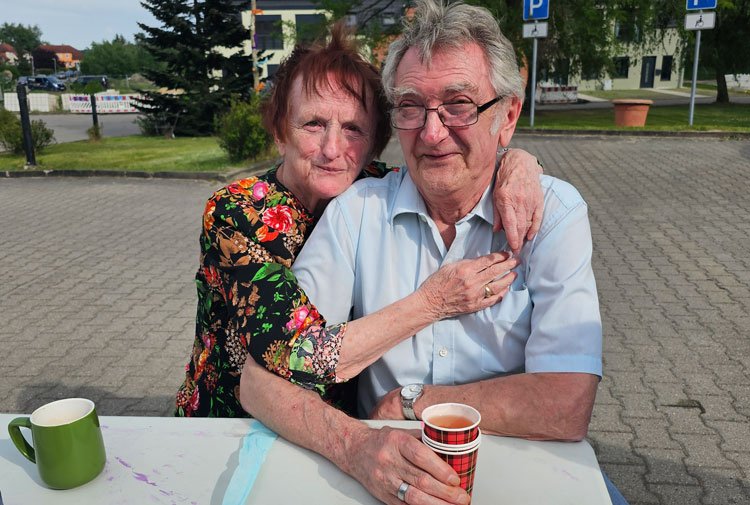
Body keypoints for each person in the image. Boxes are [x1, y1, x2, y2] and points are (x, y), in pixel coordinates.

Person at [244, 1, 628, 504]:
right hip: (381, 472)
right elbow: (259, 380)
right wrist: (354, 445)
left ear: (507, 116)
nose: (431, 132)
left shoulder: (551, 214)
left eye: (459, 104)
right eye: (410, 106)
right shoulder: (358, 210)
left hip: (517, 466)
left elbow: (566, 404)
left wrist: (410, 404)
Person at [174, 23, 545, 419]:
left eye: (353, 129)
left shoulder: (370, 187)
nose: (332, 149)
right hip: (235, 422)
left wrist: (518, 162)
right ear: (281, 132)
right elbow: (292, 352)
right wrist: (433, 303)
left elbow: (461, 161)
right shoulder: (237, 212)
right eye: (313, 124)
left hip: (337, 422)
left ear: (374, 142)